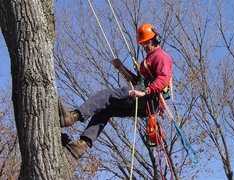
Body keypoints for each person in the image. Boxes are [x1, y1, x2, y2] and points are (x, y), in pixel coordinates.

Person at [59, 23, 173, 160]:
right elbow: (138, 82)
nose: (144, 47)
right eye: (142, 44)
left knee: (108, 95)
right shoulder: (147, 59)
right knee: (106, 109)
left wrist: (145, 92)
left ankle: (73, 116)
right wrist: (121, 68)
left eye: (146, 43)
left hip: (148, 100)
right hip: (143, 99)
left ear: (153, 40)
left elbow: (163, 79)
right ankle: (82, 145)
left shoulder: (161, 56)